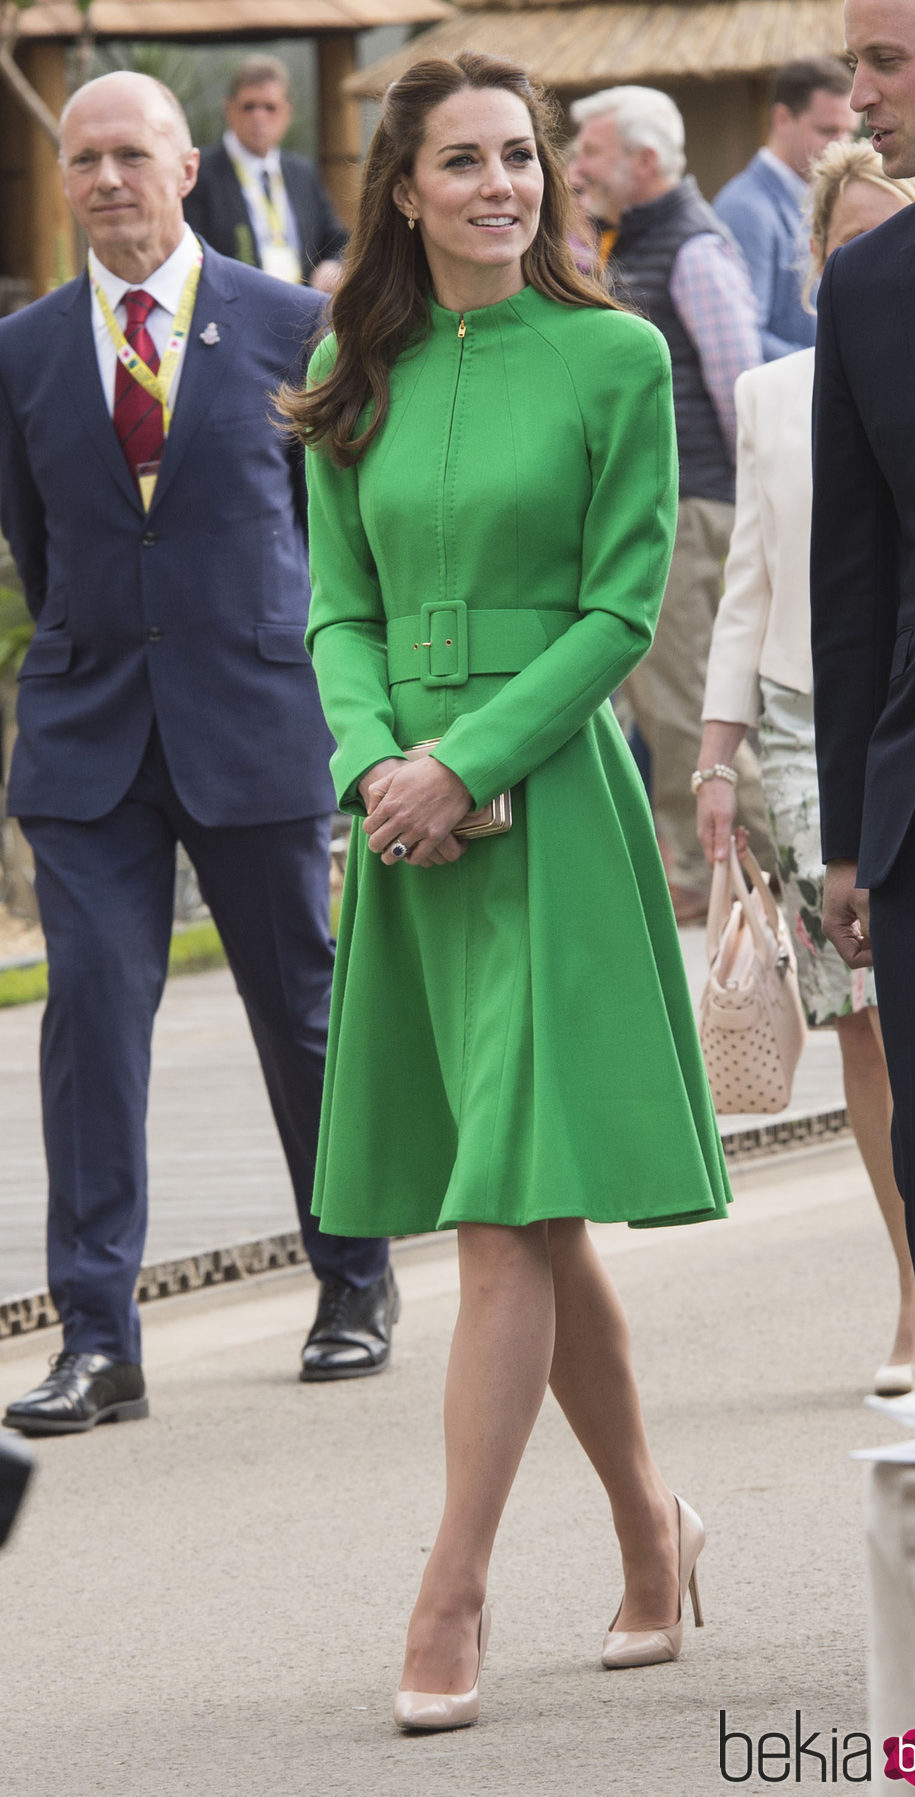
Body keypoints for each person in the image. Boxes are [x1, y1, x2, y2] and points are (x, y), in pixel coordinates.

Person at [283, 51, 731, 1730]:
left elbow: (622, 611)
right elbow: (334, 605)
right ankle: (650, 1526)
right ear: (402, 189)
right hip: (406, 820)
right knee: (526, 1203)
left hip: (542, 810)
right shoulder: (353, 364)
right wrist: (376, 767)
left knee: (499, 1214)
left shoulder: (615, 356)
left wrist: (465, 764)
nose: (501, 184)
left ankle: (452, 1585)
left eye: (521, 158)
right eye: (462, 161)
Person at [0, 72, 396, 1437]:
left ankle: (353, 1283)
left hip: (256, 724)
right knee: (90, 1033)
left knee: (302, 1018)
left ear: (185, 170)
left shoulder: (295, 326)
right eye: (81, 156)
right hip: (88, 739)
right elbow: (41, 549)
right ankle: (97, 1343)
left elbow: (337, 544)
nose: (105, 176)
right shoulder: (26, 349)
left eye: (130, 154)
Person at [697, 140, 915, 1395]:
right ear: (814, 262)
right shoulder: (769, 393)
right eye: (839, 244)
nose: (860, 261)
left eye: (883, 234)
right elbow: (749, 583)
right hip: (798, 725)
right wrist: (713, 758)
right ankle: (912, 1294)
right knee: (868, 1024)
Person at [809, 0, 915, 1379]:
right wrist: (853, 834)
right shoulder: (867, 288)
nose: (855, 96)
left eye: (885, 62)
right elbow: (854, 576)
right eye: (851, 67)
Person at [566, 85, 770, 924]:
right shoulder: (628, 239)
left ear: (645, 162)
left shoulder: (692, 249)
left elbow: (739, 393)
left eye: (590, 152)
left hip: (696, 511)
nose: (574, 168)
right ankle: (708, 881)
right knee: (665, 706)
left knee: (691, 711)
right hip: (664, 510)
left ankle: (781, 880)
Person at [713, 59, 855, 361]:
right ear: (781, 118)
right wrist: (832, 366)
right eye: (828, 130)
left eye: (849, 132)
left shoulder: (815, 197)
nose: (842, 145)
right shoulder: (746, 210)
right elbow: (746, 338)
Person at [183, 55, 346, 291]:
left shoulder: (303, 173)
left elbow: (338, 240)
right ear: (229, 110)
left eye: (270, 108)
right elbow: (192, 250)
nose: (259, 117)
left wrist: (334, 264)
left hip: (300, 308)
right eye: (249, 107)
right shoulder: (200, 173)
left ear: (287, 113)